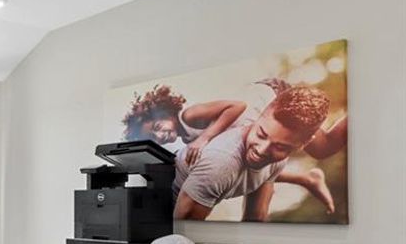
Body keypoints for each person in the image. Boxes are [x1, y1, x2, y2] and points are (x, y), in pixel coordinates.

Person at [172, 85, 334, 221]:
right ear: (259, 116)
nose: (261, 150)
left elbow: (256, 219)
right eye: (261, 134)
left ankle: (307, 179)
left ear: (303, 144)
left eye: (280, 147)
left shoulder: (277, 161)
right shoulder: (221, 162)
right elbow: (183, 236)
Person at [122, 81, 347, 167]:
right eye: (154, 139)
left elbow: (237, 106)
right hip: (260, 119)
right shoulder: (185, 137)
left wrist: (205, 138)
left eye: (157, 128)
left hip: (271, 96)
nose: (160, 136)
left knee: (323, 147)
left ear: (164, 112)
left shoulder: (189, 115)